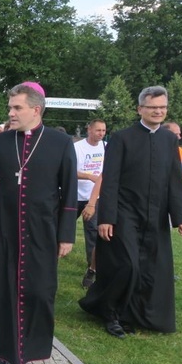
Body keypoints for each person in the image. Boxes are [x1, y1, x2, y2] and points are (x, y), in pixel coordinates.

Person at [0, 82, 77, 364]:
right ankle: (2, 352)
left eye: (17, 108)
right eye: (10, 107)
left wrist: (66, 234)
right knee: (2, 289)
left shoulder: (60, 143)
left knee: (39, 290)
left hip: (42, 230)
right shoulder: (0, 143)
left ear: (36, 110)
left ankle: (32, 347)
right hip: (4, 228)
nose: (10, 113)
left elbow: (69, 192)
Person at [79, 86, 182, 338]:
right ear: (140, 109)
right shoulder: (122, 137)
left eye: (162, 107)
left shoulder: (169, 139)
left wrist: (180, 217)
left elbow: (174, 180)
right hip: (125, 212)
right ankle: (109, 312)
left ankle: (138, 315)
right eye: (153, 107)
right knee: (127, 265)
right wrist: (106, 218)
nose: (159, 111)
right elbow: (111, 179)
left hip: (156, 214)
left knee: (151, 267)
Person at [75, 119, 106, 289]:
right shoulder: (77, 147)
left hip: (95, 198)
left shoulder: (106, 147)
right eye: (98, 130)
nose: (101, 133)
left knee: (93, 231)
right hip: (75, 195)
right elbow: (69, 170)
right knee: (60, 227)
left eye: (103, 130)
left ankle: (92, 266)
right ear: (89, 130)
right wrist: (89, 176)